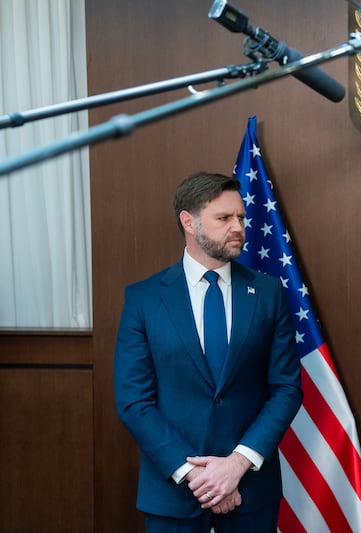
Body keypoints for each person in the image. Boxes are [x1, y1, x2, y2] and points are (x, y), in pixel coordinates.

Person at [114, 172, 303, 533]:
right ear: (189, 221)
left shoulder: (268, 293)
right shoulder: (143, 299)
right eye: (224, 218)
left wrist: (235, 465)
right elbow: (133, 401)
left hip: (250, 490)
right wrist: (198, 477)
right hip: (173, 493)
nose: (238, 227)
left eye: (241, 218)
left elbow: (287, 389)